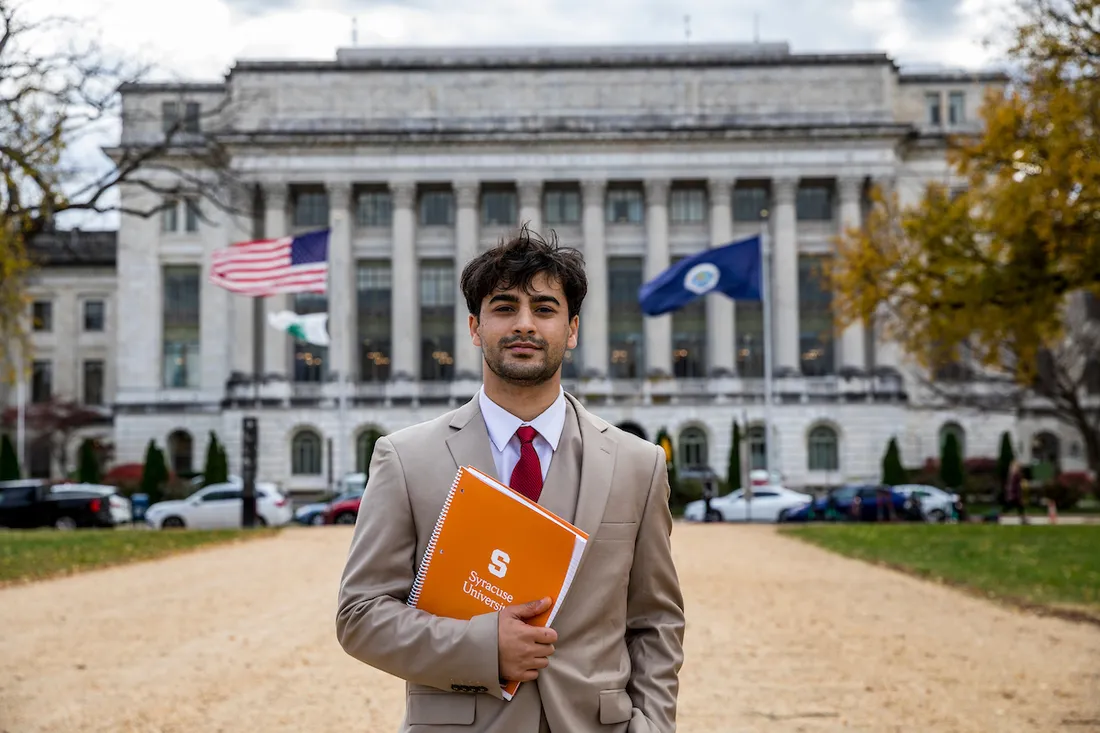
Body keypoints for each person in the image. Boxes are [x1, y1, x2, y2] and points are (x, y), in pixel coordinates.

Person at [336, 225, 686, 733]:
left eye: (544, 309)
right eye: (504, 308)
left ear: (572, 329)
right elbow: (360, 616)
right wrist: (481, 648)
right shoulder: (406, 458)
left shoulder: (639, 463)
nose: (524, 324)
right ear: (476, 328)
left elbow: (655, 621)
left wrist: (653, 726)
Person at [1004, 459, 1028, 524]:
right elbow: (1017, 487)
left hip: (1013, 495)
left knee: (1019, 507)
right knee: (1017, 507)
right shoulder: (1016, 475)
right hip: (1015, 495)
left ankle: (1023, 520)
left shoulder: (1012, 475)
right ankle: (1023, 520)